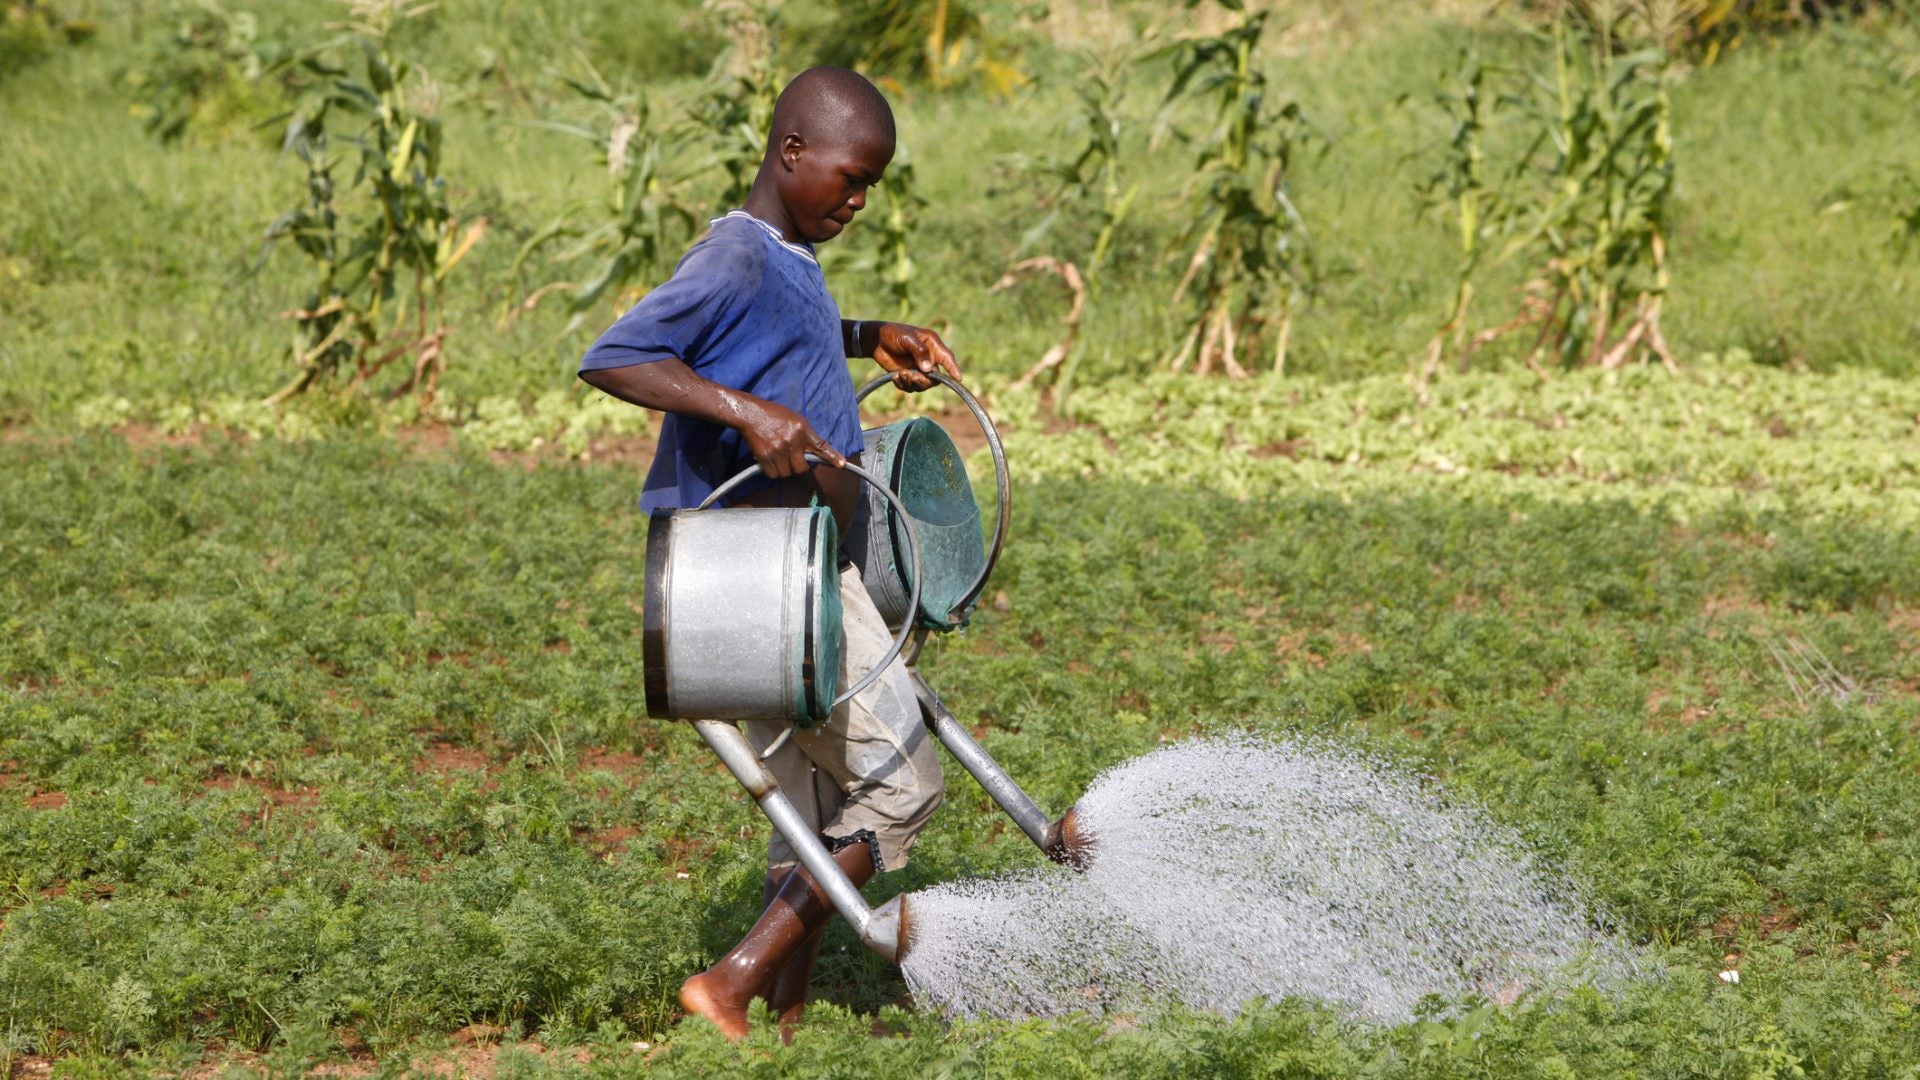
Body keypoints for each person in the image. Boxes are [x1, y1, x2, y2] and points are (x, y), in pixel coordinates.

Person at [576, 66, 959, 1040]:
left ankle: (787, 1017)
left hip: (773, 565)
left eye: (873, 183)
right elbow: (616, 354)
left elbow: (777, 332)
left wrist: (869, 335)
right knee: (905, 780)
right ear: (791, 153)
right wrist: (747, 413)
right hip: (771, 570)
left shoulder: (781, 257)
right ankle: (735, 979)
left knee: (816, 804)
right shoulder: (738, 257)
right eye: (850, 176)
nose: (861, 200)